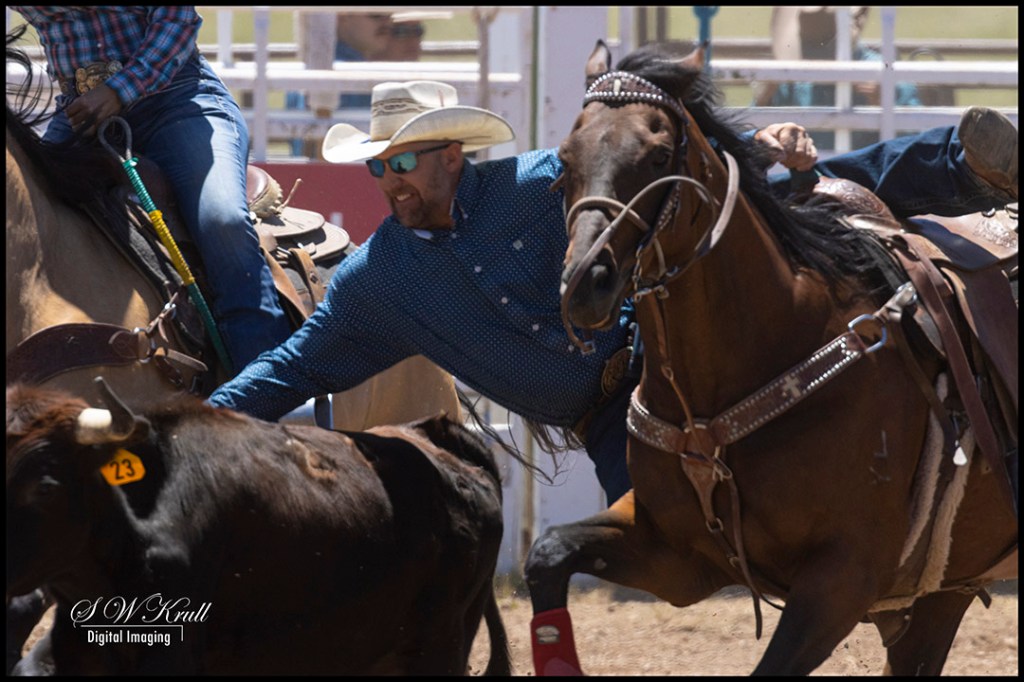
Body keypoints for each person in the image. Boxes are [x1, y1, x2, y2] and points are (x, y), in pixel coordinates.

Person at [209, 79, 1018, 505]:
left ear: (451, 155)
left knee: (774, 199)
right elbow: (295, 365)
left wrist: (766, 151)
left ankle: (957, 162)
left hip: (677, 354)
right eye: (377, 166)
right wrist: (199, 421)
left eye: (400, 162)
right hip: (617, 420)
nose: (386, 181)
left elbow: (662, 177)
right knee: (656, 526)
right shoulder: (380, 281)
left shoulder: (541, 185)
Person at [12, 6, 292, 374]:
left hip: (178, 100)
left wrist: (118, 90)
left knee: (221, 218)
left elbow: (178, 20)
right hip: (82, 115)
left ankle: (266, 379)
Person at [755, 6, 922, 151]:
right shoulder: (790, 78)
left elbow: (916, 136)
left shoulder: (881, 73)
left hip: (864, 175)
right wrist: (765, 98)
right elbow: (753, 129)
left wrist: (882, 102)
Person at [286, 11, 394, 157]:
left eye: (389, 15)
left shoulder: (306, 71)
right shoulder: (350, 75)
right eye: (375, 14)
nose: (386, 23)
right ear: (342, 15)